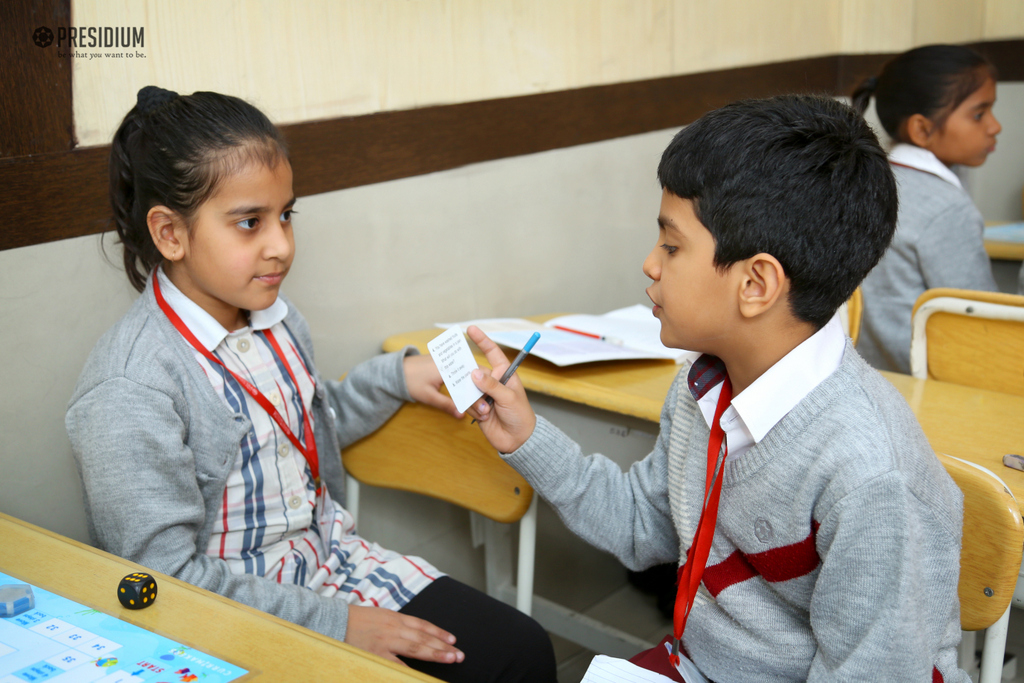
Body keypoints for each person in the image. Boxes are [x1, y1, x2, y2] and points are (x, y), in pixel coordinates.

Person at [465, 95, 968, 682]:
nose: (650, 265)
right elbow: (640, 525)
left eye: (672, 246)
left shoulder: (869, 472)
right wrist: (526, 436)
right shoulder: (704, 384)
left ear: (756, 283)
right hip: (701, 663)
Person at [65, 86, 556, 683]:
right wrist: (337, 624)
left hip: (335, 565)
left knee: (520, 651)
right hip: (232, 619)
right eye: (250, 223)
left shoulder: (275, 318)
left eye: (285, 215)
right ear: (171, 234)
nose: (281, 245)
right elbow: (166, 582)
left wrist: (393, 379)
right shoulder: (131, 384)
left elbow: (297, 431)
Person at [852, 44, 1001, 373]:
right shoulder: (946, 209)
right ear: (921, 129)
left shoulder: (869, 180)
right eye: (979, 114)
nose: (995, 126)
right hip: (931, 382)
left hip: (869, 374)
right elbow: (984, 324)